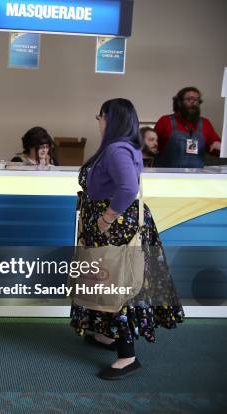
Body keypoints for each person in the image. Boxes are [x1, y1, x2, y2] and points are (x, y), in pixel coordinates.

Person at [70, 99, 184, 380]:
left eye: (100, 116)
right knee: (111, 281)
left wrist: (107, 218)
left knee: (118, 285)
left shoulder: (117, 148)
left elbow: (128, 188)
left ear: (111, 119)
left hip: (116, 229)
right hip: (117, 228)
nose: (98, 121)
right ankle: (108, 338)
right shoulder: (123, 147)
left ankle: (127, 357)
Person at [154, 86, 222, 168]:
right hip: (167, 177)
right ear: (179, 102)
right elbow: (150, 146)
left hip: (197, 178)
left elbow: (216, 150)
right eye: (189, 99)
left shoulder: (205, 123)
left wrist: (220, 147)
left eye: (196, 100)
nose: (193, 102)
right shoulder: (165, 121)